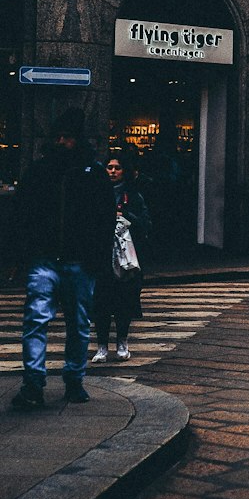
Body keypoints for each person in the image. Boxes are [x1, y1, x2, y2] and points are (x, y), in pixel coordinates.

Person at [10, 106, 116, 409]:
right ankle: (34, 383)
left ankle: (73, 380)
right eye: (57, 136)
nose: (61, 142)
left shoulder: (92, 173)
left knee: (78, 323)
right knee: (36, 319)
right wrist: (25, 253)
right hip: (46, 260)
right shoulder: (41, 171)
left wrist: (96, 258)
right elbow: (22, 215)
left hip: (78, 262)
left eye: (66, 137)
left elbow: (105, 220)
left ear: (77, 140)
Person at [91, 154, 151, 363]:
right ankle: (101, 346)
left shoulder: (133, 196)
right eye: (109, 167)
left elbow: (145, 223)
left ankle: (122, 342)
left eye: (117, 167)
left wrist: (127, 217)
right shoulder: (96, 194)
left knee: (124, 301)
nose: (113, 171)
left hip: (127, 256)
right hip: (102, 255)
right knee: (101, 302)